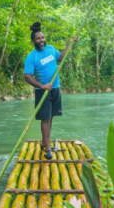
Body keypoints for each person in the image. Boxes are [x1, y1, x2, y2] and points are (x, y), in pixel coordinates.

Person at [24, 21, 77, 159]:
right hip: (43, 91)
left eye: (42, 38)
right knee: (45, 119)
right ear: (33, 41)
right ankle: (47, 148)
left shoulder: (51, 49)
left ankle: (44, 142)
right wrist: (42, 86)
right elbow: (28, 77)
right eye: (38, 39)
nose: (41, 40)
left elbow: (60, 57)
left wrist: (70, 44)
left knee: (51, 116)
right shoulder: (32, 56)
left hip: (55, 88)